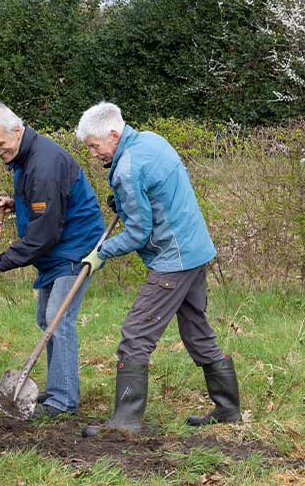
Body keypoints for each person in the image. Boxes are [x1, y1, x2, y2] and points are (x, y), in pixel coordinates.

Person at [76, 102, 241, 436]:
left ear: (113, 133)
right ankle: (228, 408)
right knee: (197, 330)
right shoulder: (151, 140)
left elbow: (139, 233)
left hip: (174, 260)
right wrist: (123, 201)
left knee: (136, 334)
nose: (93, 153)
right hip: (195, 249)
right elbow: (162, 190)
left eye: (94, 146)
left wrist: (101, 252)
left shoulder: (127, 169)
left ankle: (125, 422)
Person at [0, 101, 106, 419]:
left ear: (17, 130)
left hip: (75, 250)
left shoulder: (44, 165)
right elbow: (40, 204)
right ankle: (57, 387)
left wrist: (4, 261)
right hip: (57, 250)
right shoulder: (26, 156)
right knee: (45, 320)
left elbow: (45, 232)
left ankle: (63, 400)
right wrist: (14, 203)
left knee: (57, 320)